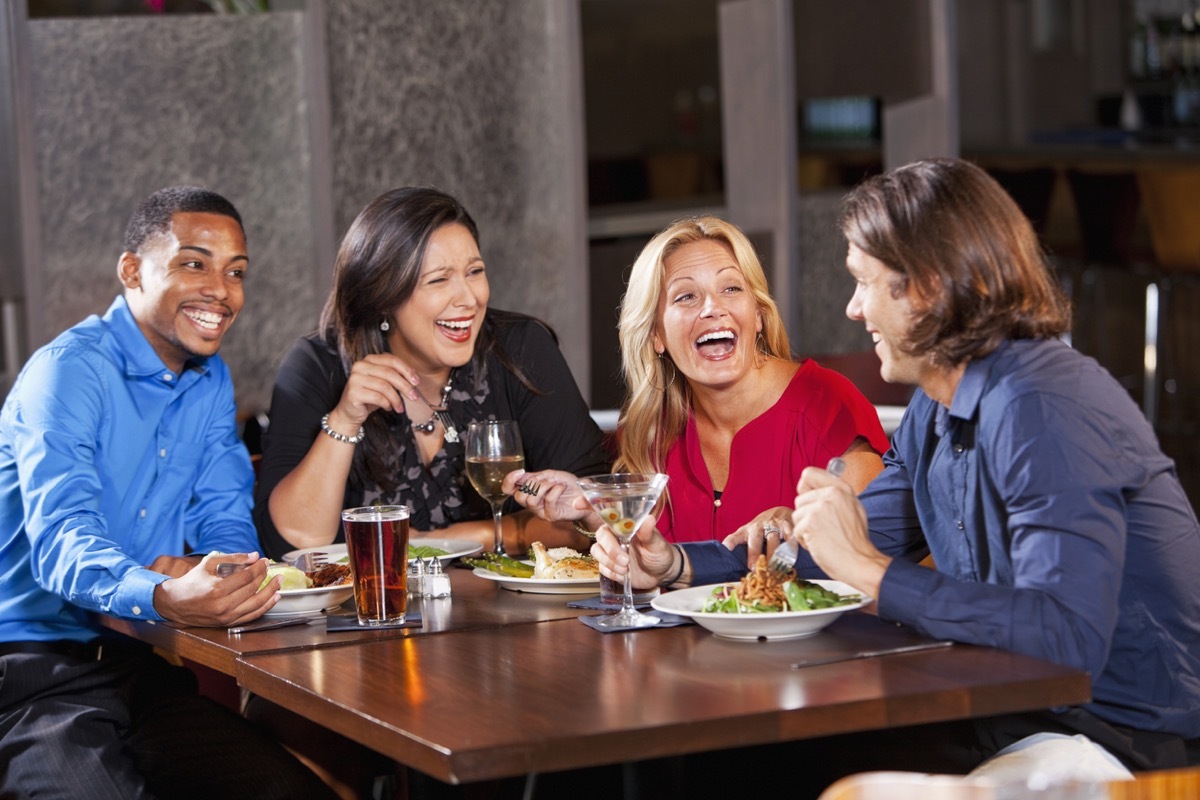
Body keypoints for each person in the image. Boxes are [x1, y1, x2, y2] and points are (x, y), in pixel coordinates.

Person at [597, 159, 1200, 781]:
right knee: (701, 768)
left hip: (1119, 740)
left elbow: (1067, 638)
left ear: (929, 287)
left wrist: (872, 572)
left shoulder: (1042, 407)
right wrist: (678, 564)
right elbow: (847, 541)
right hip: (1007, 712)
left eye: (865, 282)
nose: (855, 309)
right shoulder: (935, 411)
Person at [0, 186, 335, 798]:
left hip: (142, 664)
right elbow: (62, 541)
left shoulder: (209, 378)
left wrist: (228, 573)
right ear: (132, 271)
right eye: (193, 263)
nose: (222, 290)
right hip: (32, 672)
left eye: (236, 271)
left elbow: (223, 507)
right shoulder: (67, 372)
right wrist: (162, 593)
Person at [506, 215, 888, 566]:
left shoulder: (826, 404)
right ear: (656, 334)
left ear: (758, 315)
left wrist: (801, 530)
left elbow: (880, 548)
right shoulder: (649, 428)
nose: (712, 308)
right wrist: (589, 503)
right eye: (686, 296)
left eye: (731, 288)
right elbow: (645, 556)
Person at [254, 186, 609, 560]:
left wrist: (445, 539)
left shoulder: (519, 349)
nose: (469, 298)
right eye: (439, 280)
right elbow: (293, 544)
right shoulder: (318, 364)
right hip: (373, 613)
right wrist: (345, 420)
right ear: (383, 298)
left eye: (475, 271)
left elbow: (590, 516)